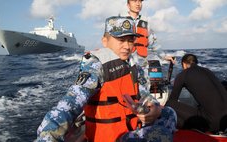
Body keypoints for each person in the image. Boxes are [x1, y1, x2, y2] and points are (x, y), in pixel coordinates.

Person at [36, 16, 177, 142]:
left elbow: (141, 91)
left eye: (130, 40)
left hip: (131, 128)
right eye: (121, 40)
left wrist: (154, 107)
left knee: (169, 113)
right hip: (111, 137)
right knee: (162, 135)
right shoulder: (97, 67)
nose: (127, 46)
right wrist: (47, 137)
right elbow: (68, 106)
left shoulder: (131, 64)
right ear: (105, 41)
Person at [166, 54, 227, 133]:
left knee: (169, 104)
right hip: (225, 119)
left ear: (184, 64)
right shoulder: (208, 71)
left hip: (212, 124)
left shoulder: (183, 75)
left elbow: (172, 100)